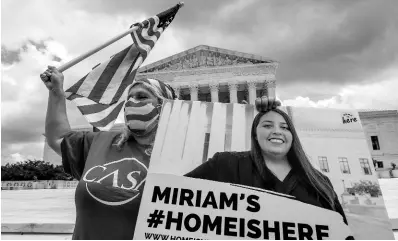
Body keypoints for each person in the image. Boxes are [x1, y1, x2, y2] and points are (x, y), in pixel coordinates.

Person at [40, 66, 177, 240]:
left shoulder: (179, 159)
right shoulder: (101, 142)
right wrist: (56, 92)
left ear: (165, 107)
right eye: (129, 98)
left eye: (142, 97)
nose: (132, 102)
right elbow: (58, 138)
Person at [185, 105, 350, 227]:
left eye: (285, 127)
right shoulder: (226, 164)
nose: (277, 131)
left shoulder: (319, 182)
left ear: (292, 136)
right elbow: (169, 195)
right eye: (267, 125)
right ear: (255, 134)